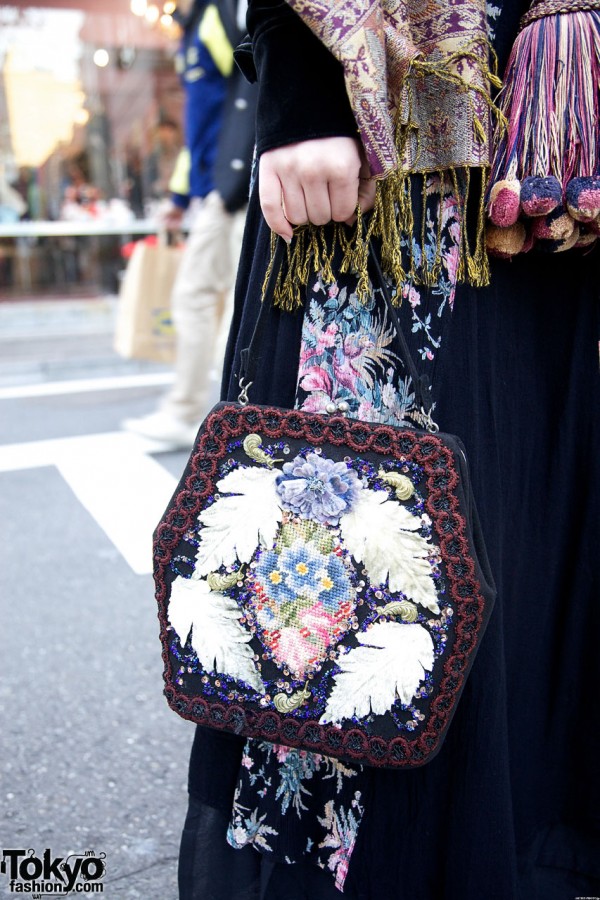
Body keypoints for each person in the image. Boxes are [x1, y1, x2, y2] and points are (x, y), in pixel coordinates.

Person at [176, 1, 600, 898]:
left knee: (517, 573)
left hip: (545, 177)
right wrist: (305, 95)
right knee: (371, 575)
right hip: (385, 159)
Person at [124, 0, 256, 448]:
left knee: (224, 302)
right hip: (218, 183)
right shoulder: (198, 18)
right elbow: (201, 118)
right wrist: (184, 193)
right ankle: (205, 412)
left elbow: (243, 90)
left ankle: (219, 414)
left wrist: (230, 180)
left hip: (236, 180)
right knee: (202, 297)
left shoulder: (220, 12)